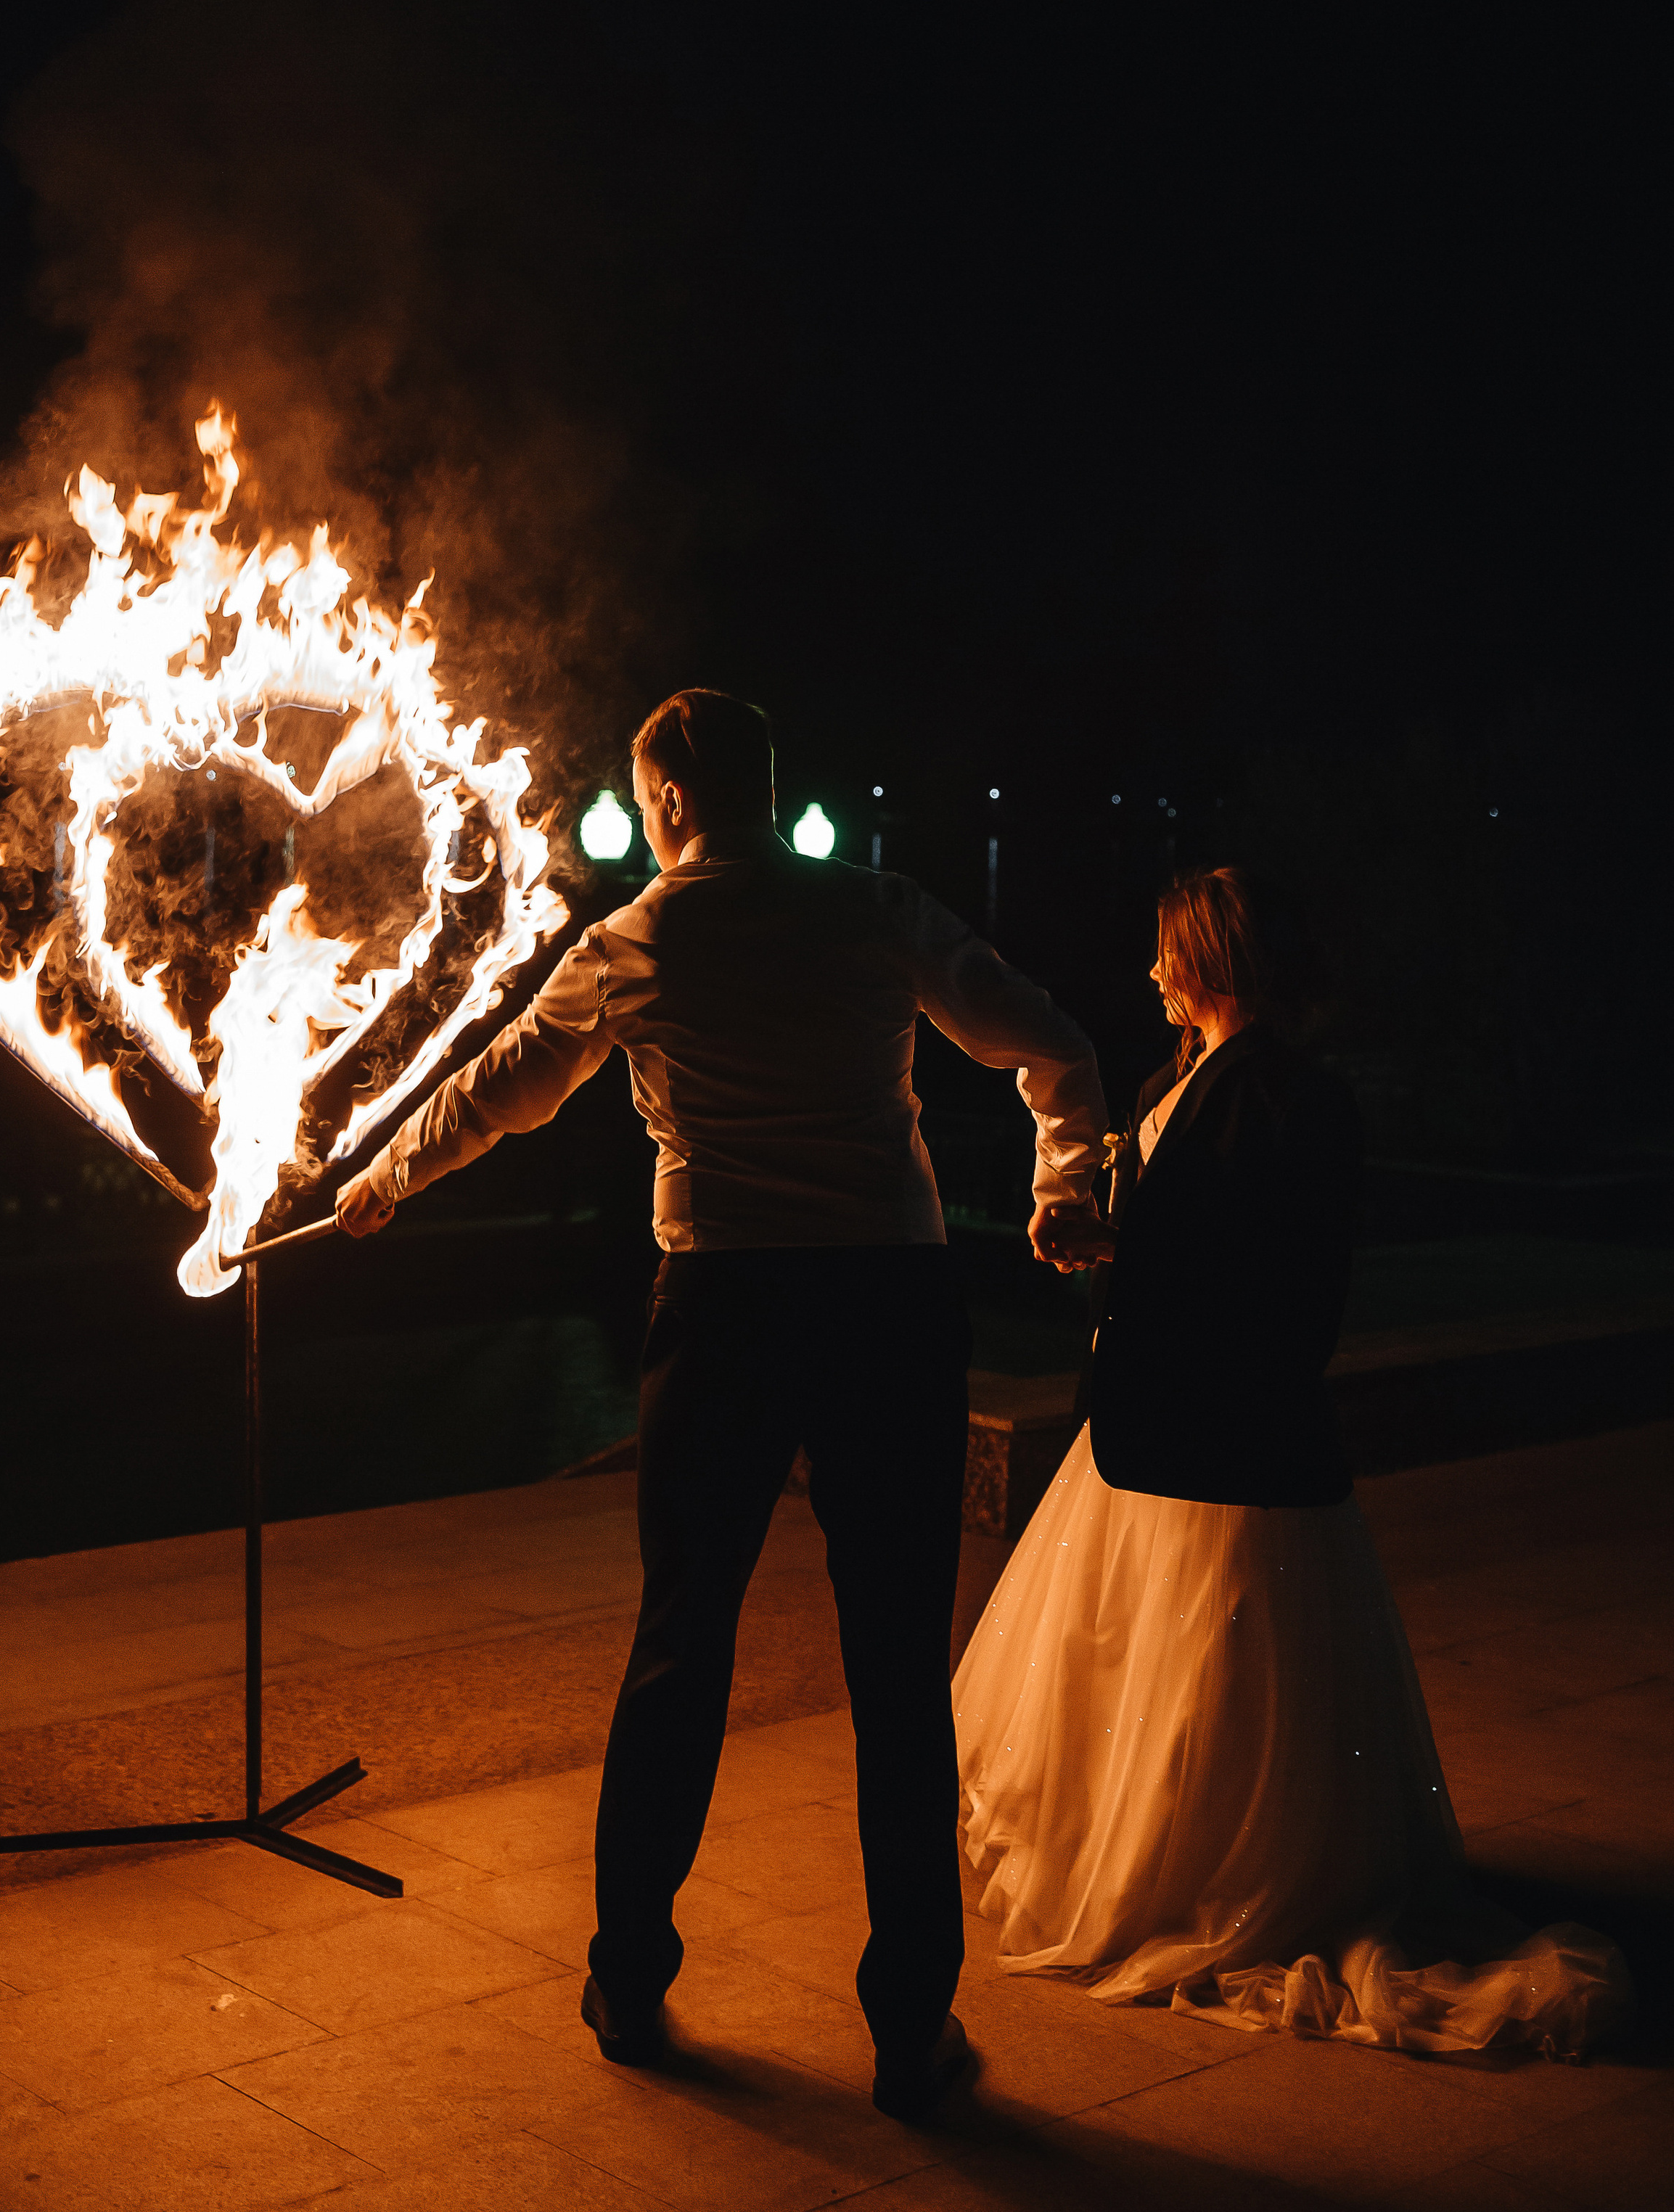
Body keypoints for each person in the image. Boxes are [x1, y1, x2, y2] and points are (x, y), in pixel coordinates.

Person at [337, 688, 1109, 2117]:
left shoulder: (634, 941)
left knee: (680, 1641)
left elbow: (506, 1090)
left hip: (727, 1309)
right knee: (894, 1664)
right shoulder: (880, 908)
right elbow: (1053, 1046)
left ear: (667, 805)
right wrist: (1064, 1183)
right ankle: (907, 2028)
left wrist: (388, 1177)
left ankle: (629, 1977)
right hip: (888, 1305)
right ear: (765, 786)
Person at [952, 865, 1630, 2057]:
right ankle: (1156, 1849)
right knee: (1147, 1669)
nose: (1153, 969)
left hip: (1231, 1447)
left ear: (1214, 957)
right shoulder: (1187, 1076)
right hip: (1152, 1432)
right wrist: (1103, 1236)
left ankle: (1216, 1879)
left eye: (1170, 950)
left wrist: (1129, 1244)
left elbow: (1280, 1285)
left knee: (1221, 1678)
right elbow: (1183, 1230)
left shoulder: (1293, 1099)